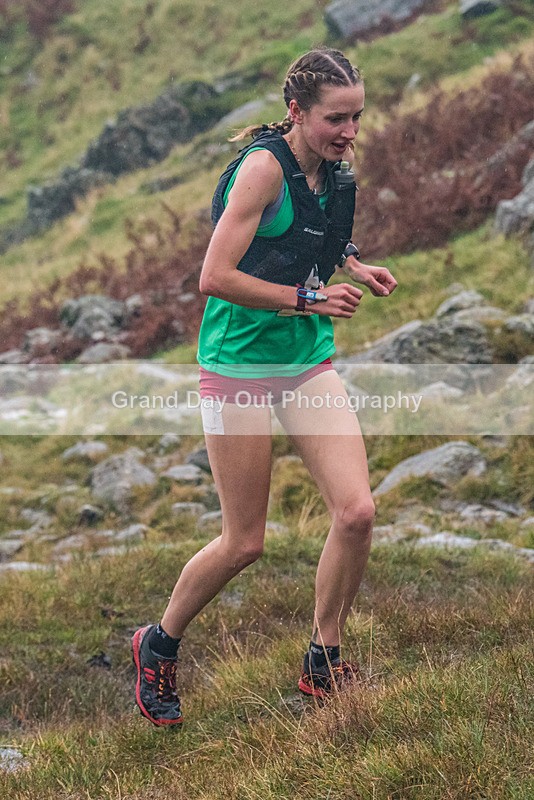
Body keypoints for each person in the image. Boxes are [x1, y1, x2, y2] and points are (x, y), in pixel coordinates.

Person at [132, 46, 397, 726]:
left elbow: (314, 234)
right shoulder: (259, 171)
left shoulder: (332, 172)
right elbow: (215, 277)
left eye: (356, 117)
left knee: (357, 513)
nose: (349, 132)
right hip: (238, 367)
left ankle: (323, 661)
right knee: (245, 542)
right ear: (296, 112)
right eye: (336, 118)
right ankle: (158, 645)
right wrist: (309, 301)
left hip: (306, 362)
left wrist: (355, 264)